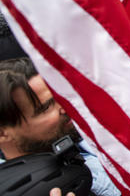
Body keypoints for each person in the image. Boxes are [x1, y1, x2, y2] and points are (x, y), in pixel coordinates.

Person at [0, 58, 121, 196]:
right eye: (46, 107)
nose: (65, 107)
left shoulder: (90, 140)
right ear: (2, 133)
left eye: (59, 97)